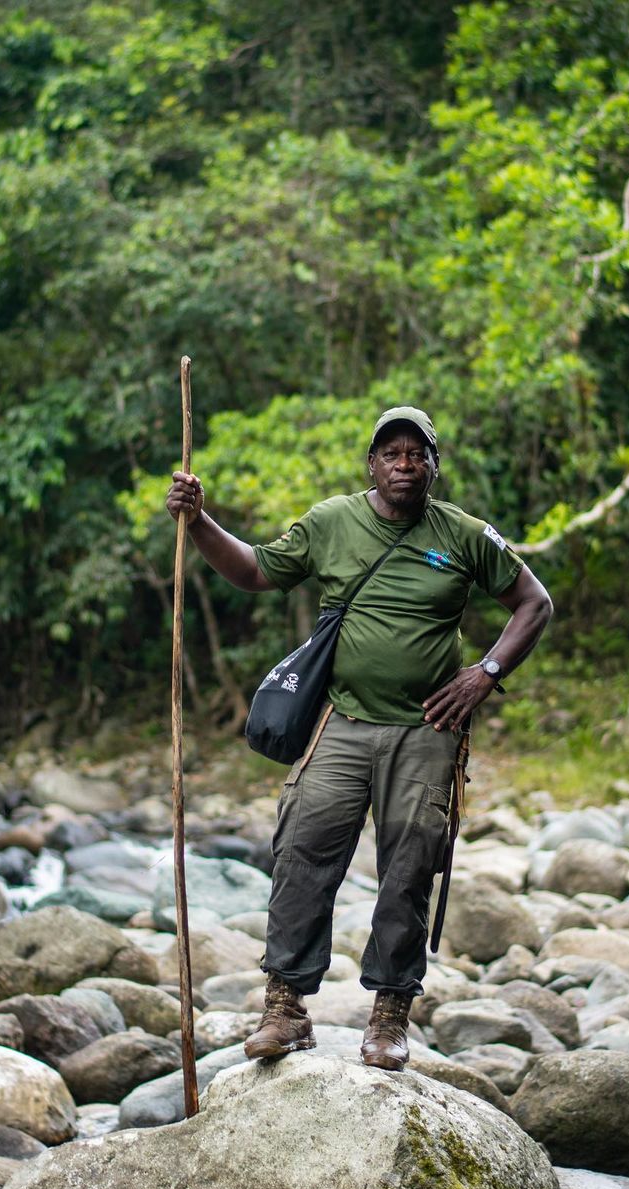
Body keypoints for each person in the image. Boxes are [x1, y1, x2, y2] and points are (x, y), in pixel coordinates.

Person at [166, 406, 552, 1071]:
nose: (404, 465)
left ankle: (390, 1016)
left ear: (434, 465)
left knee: (408, 866)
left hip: (428, 729)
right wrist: (199, 521)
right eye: (391, 454)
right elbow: (256, 571)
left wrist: (485, 673)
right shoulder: (331, 522)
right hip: (342, 721)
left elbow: (533, 602)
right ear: (371, 464)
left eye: (417, 454)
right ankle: (285, 1007)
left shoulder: (462, 534)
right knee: (301, 852)